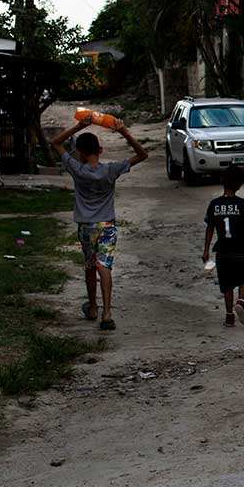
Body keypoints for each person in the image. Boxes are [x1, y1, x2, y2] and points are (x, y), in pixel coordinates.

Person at [49, 117, 149, 331]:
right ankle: (107, 313)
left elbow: (55, 143)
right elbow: (143, 154)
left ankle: (93, 307)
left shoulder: (77, 169)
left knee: (90, 266)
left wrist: (79, 126)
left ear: (81, 153)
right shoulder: (111, 170)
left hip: (86, 226)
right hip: (107, 225)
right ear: (100, 150)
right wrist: (123, 131)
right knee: (105, 266)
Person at [201, 169, 244, 327]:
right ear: (239, 184)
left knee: (226, 284)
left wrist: (206, 250)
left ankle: (229, 316)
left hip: (222, 251)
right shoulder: (243, 204)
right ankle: (241, 301)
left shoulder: (214, 204)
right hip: (240, 248)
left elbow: (209, 228)